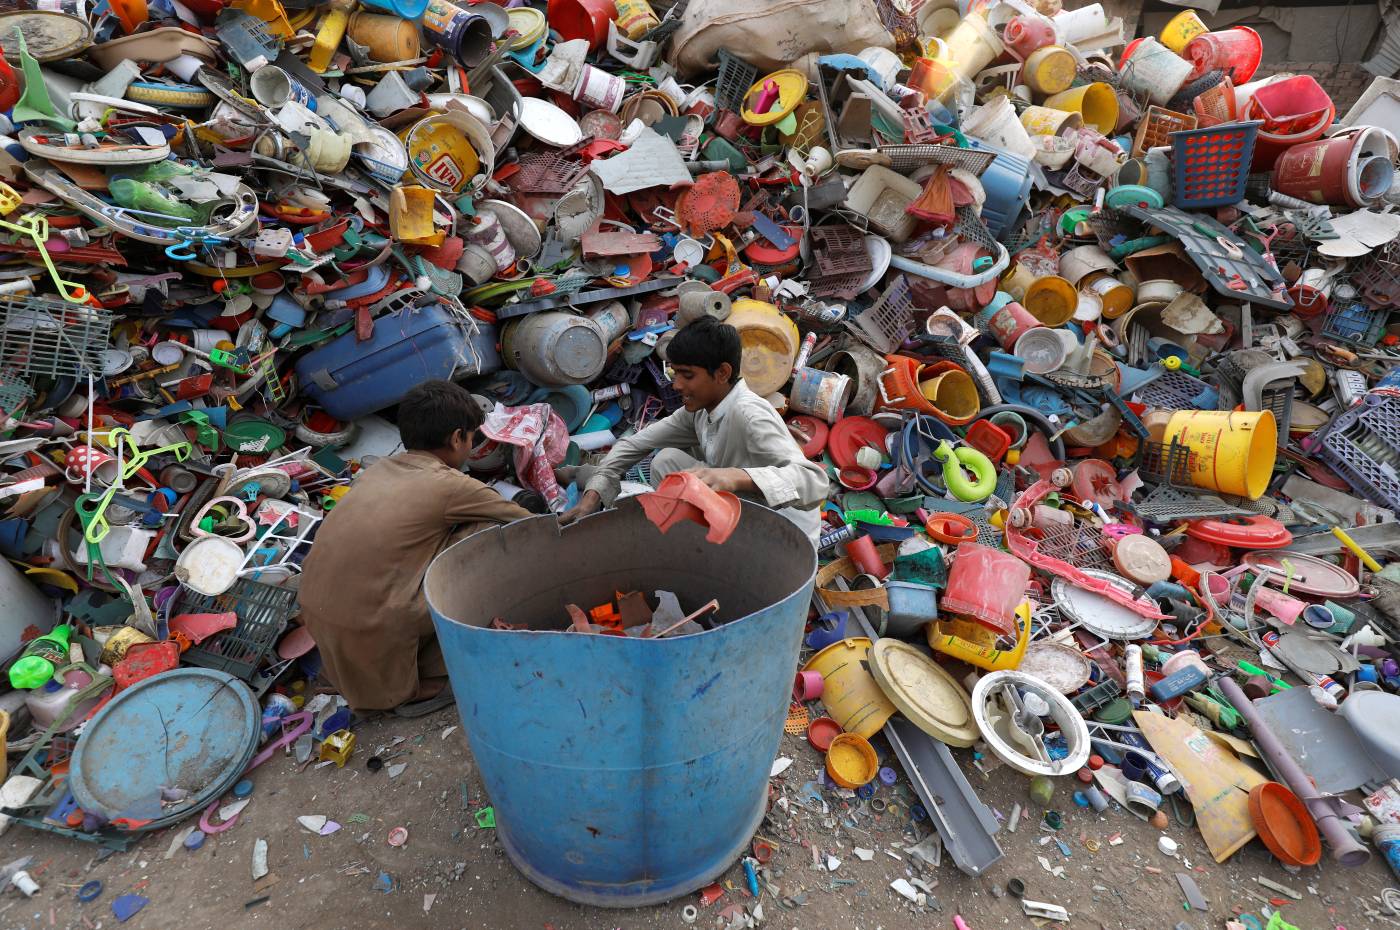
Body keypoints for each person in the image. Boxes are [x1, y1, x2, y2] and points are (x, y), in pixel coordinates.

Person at [298, 380, 531, 715]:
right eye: (471, 438)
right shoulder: (451, 485)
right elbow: (528, 523)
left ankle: (381, 670)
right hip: (374, 622)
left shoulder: (376, 471)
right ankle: (417, 688)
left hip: (318, 614)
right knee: (486, 528)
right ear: (456, 438)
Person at [560, 317, 829, 544]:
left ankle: (694, 548)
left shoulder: (749, 414)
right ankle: (685, 540)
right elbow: (633, 445)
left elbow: (814, 482)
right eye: (674, 373)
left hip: (783, 534)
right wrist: (593, 495)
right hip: (738, 507)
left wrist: (736, 477)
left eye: (687, 375)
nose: (676, 385)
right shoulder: (699, 411)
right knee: (666, 461)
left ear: (722, 373)